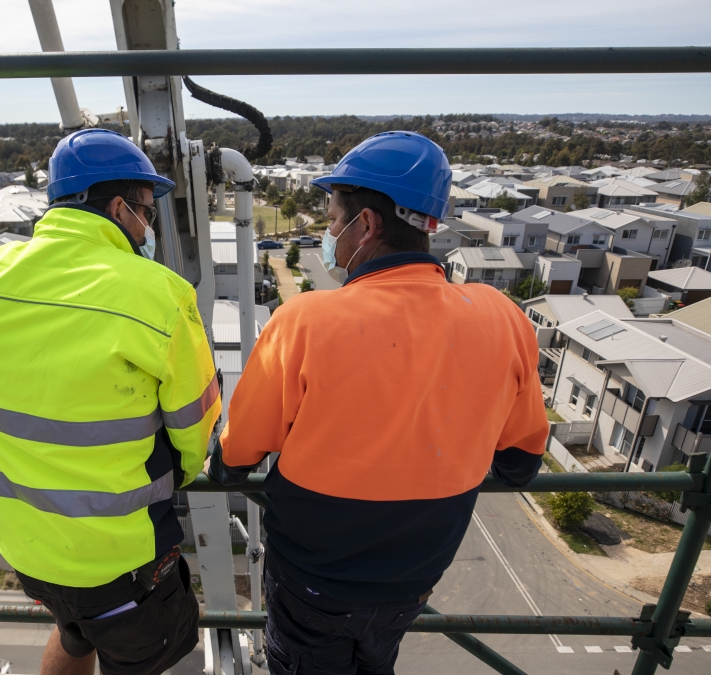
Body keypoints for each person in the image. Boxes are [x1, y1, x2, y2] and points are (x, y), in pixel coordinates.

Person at [208, 131, 548, 675]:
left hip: (313, 581)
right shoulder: (501, 315)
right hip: (413, 582)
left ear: (365, 226)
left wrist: (223, 466)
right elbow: (521, 461)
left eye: (332, 218)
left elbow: (239, 455)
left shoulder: (306, 320)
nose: (328, 232)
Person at [0, 128, 220, 675]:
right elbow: (196, 433)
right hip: (119, 561)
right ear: (119, 208)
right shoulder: (159, 294)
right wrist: (180, 476)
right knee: (141, 657)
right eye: (146, 210)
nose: (147, 226)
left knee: (75, 634)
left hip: (28, 548)